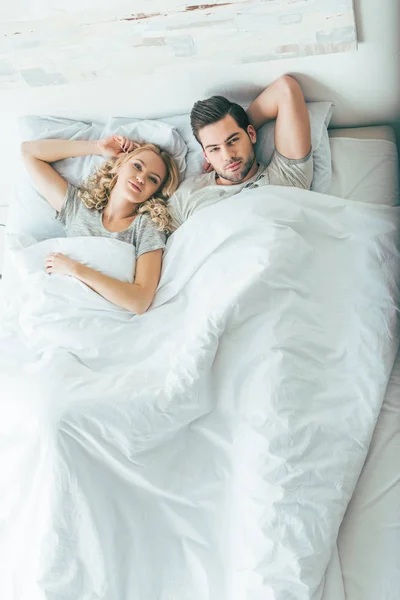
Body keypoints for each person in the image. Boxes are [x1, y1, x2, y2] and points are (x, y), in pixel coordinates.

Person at [21, 135, 179, 314]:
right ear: (120, 165)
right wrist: (97, 146)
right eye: (137, 166)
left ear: (155, 192)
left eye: (153, 179)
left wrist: (75, 269)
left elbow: (140, 301)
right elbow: (29, 152)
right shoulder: (79, 208)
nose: (141, 178)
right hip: (64, 305)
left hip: (106, 316)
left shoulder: (147, 226)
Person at [167, 75, 312, 230]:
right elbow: (150, 240)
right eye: (214, 149)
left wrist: (242, 124)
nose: (228, 156)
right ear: (206, 155)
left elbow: (285, 89)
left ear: (252, 134)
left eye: (233, 141)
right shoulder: (187, 194)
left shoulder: (286, 176)